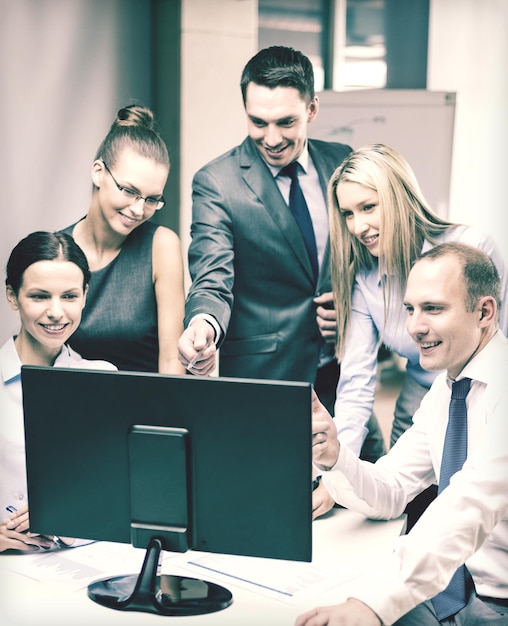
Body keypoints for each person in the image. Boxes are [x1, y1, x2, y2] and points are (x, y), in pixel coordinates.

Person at [296, 242, 508, 626]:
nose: (413, 326)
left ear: (484, 312)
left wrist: (374, 604)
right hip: (444, 590)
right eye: (410, 309)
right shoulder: (446, 390)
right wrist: (333, 455)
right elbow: (392, 488)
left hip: (496, 603)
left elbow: (466, 507)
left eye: (434, 308)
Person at [177, 46, 370, 441]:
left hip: (344, 378)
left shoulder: (343, 162)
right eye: (258, 122)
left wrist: (350, 311)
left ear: (312, 109)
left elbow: (368, 261)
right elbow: (212, 274)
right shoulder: (216, 182)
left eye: (286, 122)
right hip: (263, 381)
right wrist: (204, 324)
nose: (272, 138)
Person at [312, 144, 508, 520]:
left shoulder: (470, 250)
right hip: (426, 391)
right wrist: (333, 470)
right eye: (348, 214)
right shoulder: (364, 278)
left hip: (486, 388)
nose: (358, 226)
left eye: (368, 207)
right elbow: (356, 383)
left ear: (398, 198)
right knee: (413, 505)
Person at [0, 231, 117, 553]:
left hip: (78, 569)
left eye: (69, 296)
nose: (56, 312)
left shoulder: (103, 380)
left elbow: (122, 503)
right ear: (12, 295)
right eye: (39, 296)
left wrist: (67, 522)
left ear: (85, 295)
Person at [62, 104, 185, 374]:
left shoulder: (161, 246)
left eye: (152, 199)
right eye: (129, 191)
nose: (139, 210)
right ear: (98, 172)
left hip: (147, 410)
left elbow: (171, 363)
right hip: (73, 408)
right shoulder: (57, 251)